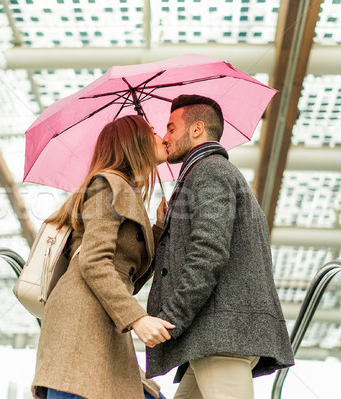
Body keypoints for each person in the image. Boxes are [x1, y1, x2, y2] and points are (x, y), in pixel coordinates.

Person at [146, 95, 295, 399]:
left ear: (197, 129)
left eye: (172, 128)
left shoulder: (209, 171)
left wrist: (171, 319)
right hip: (217, 336)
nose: (165, 137)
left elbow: (209, 251)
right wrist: (166, 224)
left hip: (218, 335)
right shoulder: (206, 174)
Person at [32, 114, 175, 399]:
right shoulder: (107, 183)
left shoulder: (126, 190)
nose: (161, 136)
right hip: (83, 323)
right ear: (133, 141)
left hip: (101, 320)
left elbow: (129, 271)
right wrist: (138, 318)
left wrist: (158, 228)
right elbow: (95, 260)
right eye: (151, 130)